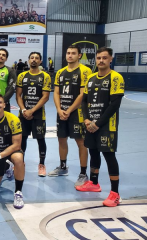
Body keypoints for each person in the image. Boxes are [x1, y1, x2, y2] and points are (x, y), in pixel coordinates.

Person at [77, 47, 125, 207]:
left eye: (104, 58)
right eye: (98, 58)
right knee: (93, 152)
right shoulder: (90, 79)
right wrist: (86, 120)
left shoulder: (116, 78)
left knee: (109, 156)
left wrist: (97, 123)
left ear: (111, 59)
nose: (101, 61)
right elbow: (84, 101)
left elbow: (114, 105)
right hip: (90, 123)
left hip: (106, 126)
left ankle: (115, 193)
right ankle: (94, 183)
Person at [48, 45, 92, 187]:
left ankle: (83, 173)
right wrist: (60, 109)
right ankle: (63, 167)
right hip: (62, 112)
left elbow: (82, 94)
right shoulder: (60, 72)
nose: (70, 55)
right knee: (62, 139)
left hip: (77, 113)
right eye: (68, 53)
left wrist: (70, 110)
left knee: (81, 142)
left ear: (79, 55)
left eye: (73, 53)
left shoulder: (85, 71)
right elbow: (56, 93)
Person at [16, 52, 51, 177]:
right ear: (28, 60)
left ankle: (42, 164)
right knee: (22, 139)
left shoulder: (45, 76)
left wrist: (32, 110)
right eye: (32, 58)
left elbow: (45, 97)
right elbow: (18, 95)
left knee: (41, 139)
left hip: (38, 114)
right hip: (24, 114)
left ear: (40, 61)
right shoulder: (22, 76)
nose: (34, 60)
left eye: (37, 58)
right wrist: (24, 110)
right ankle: (21, 163)